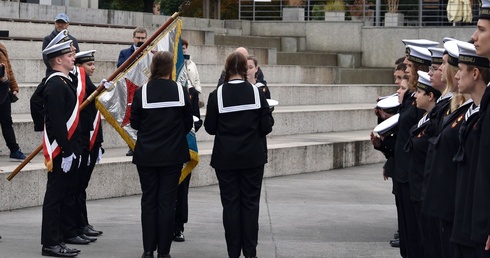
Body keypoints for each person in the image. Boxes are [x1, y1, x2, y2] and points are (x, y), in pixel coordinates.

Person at [204, 51, 274, 258]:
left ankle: (233, 252)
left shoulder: (216, 94)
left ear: (227, 69)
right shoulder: (256, 93)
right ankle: (250, 252)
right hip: (252, 158)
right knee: (251, 204)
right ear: (245, 69)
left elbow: (210, 128)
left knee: (231, 205)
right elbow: (266, 127)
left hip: (226, 159)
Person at [130, 51, 193, 258]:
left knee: (149, 201)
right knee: (167, 202)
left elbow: (135, 123)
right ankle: (164, 252)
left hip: (147, 155)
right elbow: (187, 123)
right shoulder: (181, 90)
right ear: (170, 68)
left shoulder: (142, 91)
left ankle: (148, 250)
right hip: (172, 155)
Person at [40, 39, 82, 257]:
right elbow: (56, 122)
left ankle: (57, 239)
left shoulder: (64, 81)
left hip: (66, 148)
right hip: (59, 151)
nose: (73, 56)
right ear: (57, 60)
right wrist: (66, 150)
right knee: (54, 198)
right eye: (69, 55)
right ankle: (50, 243)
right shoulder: (55, 84)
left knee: (61, 196)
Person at [450, 40, 490, 258]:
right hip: (466, 215)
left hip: (478, 223)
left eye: (461, 70)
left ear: (475, 74)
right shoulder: (475, 111)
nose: (456, 76)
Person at [173, 39, 203, 242]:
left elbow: (197, 121)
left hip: (183, 148)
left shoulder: (190, 92)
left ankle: (178, 226)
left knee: (181, 190)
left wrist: (188, 128)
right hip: (166, 150)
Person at [74, 50, 104, 238]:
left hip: (92, 142)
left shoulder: (90, 85)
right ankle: (78, 225)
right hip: (83, 143)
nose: (93, 67)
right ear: (79, 67)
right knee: (78, 187)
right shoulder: (79, 86)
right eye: (88, 65)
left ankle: (82, 223)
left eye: (93, 64)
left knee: (81, 187)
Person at [118, 26, 147, 156]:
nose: (140, 40)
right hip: (131, 91)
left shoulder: (151, 53)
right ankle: (131, 145)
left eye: (143, 38)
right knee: (131, 119)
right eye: (138, 38)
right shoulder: (124, 53)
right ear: (133, 38)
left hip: (146, 89)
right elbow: (120, 69)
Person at [0, 42, 26, 161]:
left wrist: (14, 87)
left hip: (4, 88)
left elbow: (8, 68)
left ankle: (14, 150)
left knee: (7, 121)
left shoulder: (1, 47)